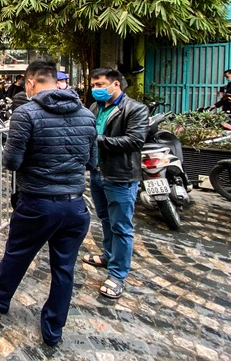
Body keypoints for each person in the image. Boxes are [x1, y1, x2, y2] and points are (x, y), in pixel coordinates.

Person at [0, 61, 96, 347]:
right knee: (64, 269)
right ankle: (53, 330)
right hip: (75, 206)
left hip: (38, 203)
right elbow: (92, 161)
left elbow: (11, 161)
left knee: (18, 253)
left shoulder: (26, 113)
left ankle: (0, 299)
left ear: (31, 83)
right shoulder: (86, 115)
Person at [82, 67, 148, 299]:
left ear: (116, 84)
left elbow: (134, 140)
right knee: (105, 219)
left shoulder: (134, 109)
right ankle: (108, 255)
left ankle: (117, 275)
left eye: (100, 85)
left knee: (121, 226)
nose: (96, 89)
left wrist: (97, 140)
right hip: (98, 173)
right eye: (93, 85)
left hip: (120, 176)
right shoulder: (94, 108)